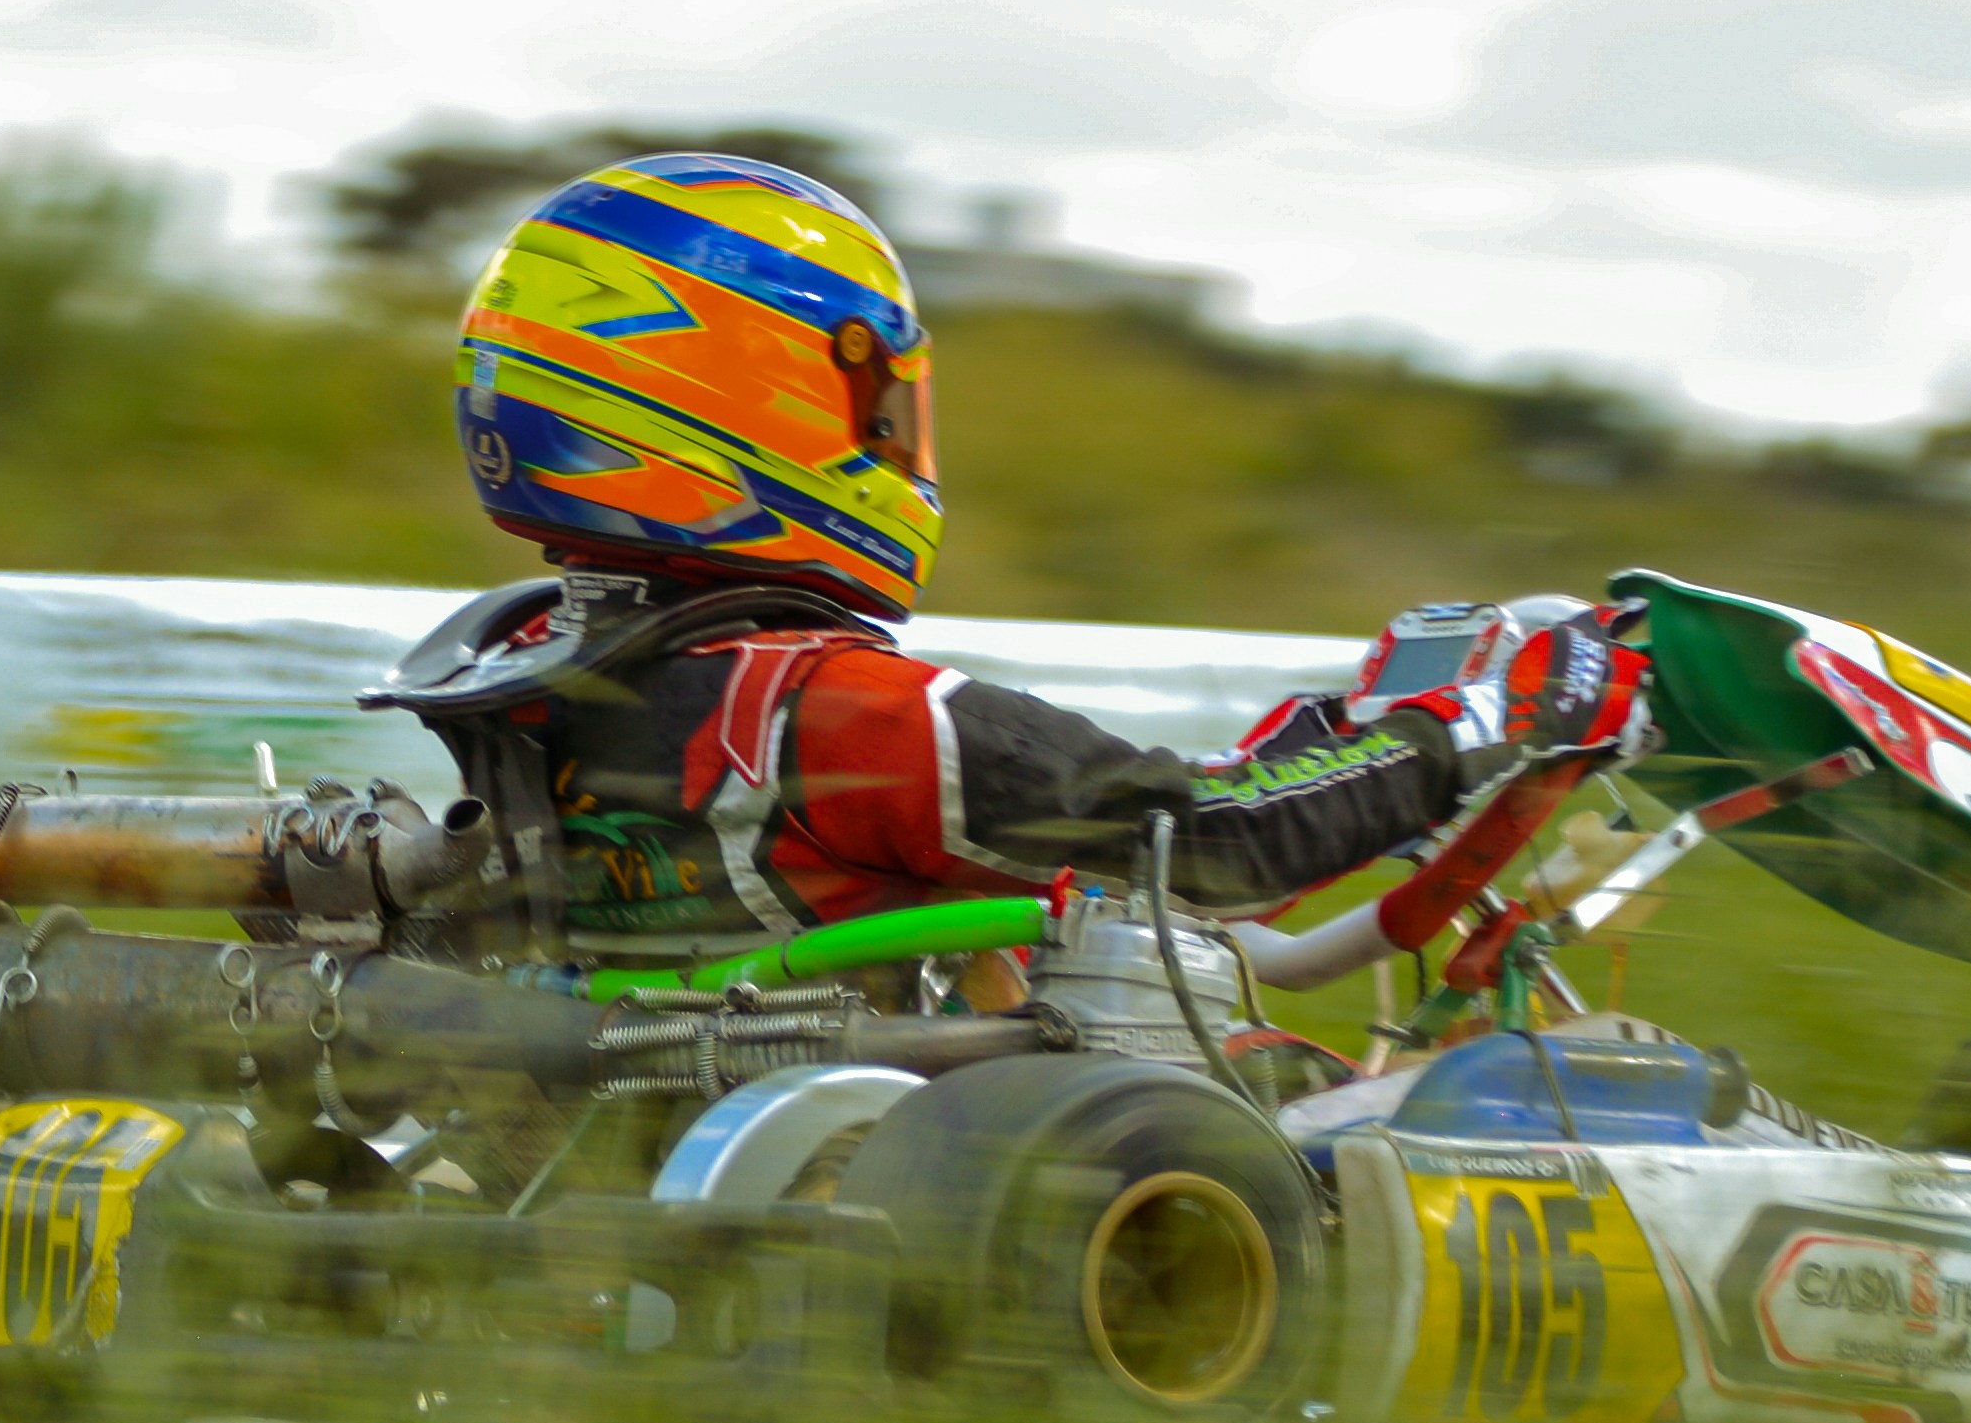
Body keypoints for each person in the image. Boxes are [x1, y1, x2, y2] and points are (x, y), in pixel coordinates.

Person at [381, 151, 1642, 962]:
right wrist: (1489, 713)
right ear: (755, 402)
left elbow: (1179, 824)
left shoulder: (529, 670)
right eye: (880, 403)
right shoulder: (836, 712)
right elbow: (1207, 853)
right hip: (921, 1165)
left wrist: (1350, 734)